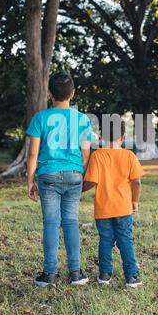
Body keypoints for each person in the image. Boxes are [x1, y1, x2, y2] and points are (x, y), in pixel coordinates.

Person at [26, 72, 92, 287]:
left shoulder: (40, 118)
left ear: (49, 93)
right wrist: (79, 174)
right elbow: (85, 153)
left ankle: (49, 274)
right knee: (71, 221)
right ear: (72, 94)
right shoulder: (82, 119)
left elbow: (33, 154)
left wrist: (29, 180)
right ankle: (75, 273)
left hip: (48, 175)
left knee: (51, 223)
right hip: (74, 173)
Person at [83, 117, 144, 288]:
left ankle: (104, 274)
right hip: (123, 208)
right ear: (123, 137)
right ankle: (131, 276)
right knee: (125, 240)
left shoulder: (97, 156)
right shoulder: (129, 155)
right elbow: (136, 182)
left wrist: (78, 190)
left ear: (102, 136)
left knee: (105, 240)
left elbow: (90, 182)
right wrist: (134, 201)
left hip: (103, 209)